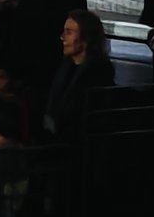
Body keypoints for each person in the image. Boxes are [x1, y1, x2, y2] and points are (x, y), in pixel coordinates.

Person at [42, 9, 114, 140]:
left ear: (86, 38)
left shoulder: (98, 72)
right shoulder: (64, 65)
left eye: (69, 32)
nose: (62, 37)